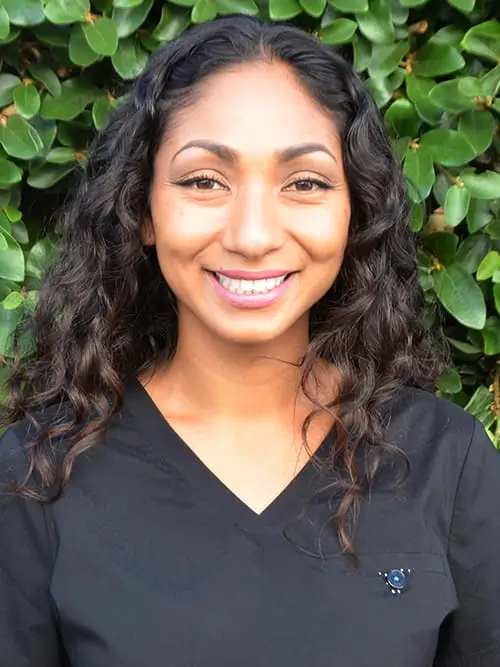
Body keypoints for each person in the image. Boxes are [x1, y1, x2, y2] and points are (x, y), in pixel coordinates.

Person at [0, 14, 499, 667]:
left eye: (305, 183)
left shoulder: (448, 464)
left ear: (355, 211)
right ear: (143, 210)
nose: (253, 234)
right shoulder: (37, 477)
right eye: (205, 180)